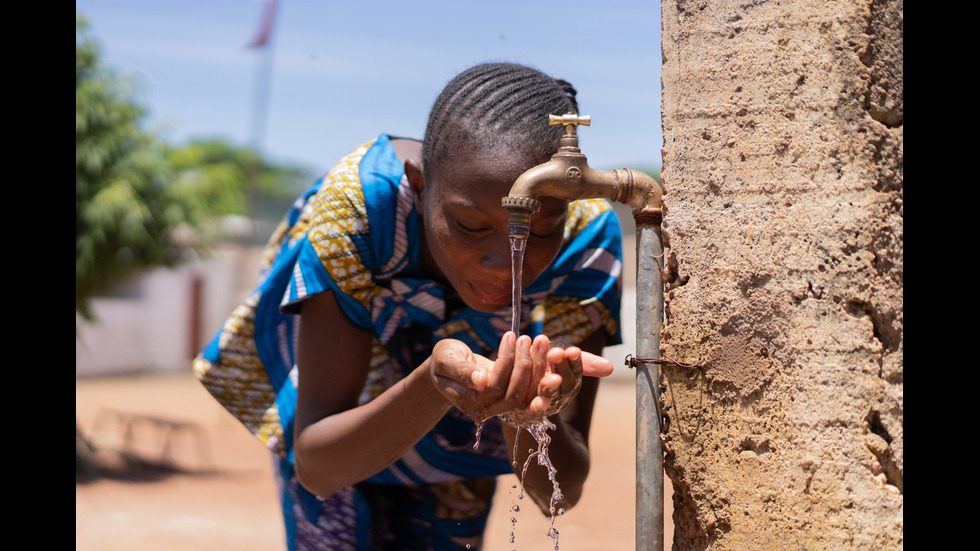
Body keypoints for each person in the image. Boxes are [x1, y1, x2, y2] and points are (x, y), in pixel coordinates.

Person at [193, 62, 624, 551]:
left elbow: (560, 494)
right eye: (470, 226)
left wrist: (527, 415)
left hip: (460, 439)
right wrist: (431, 383)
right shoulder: (359, 207)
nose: (502, 267)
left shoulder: (586, 239)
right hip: (350, 427)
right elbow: (318, 467)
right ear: (419, 188)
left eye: (540, 231)